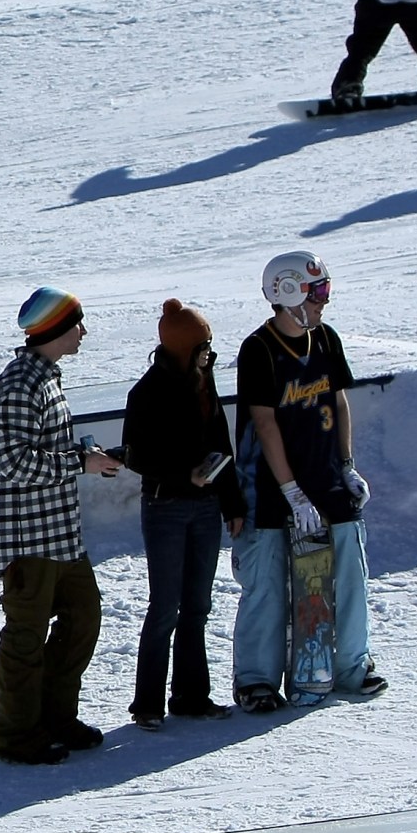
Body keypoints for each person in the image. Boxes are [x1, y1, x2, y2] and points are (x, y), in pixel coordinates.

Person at [230, 252, 381, 712]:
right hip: (272, 487)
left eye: (325, 293)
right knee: (269, 586)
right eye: (318, 294)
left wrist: (347, 464)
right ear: (289, 292)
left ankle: (352, 666)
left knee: (350, 573)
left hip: (327, 478)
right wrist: (291, 491)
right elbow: (265, 424)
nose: (323, 304)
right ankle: (256, 679)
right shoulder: (259, 349)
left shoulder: (326, 339)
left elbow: (337, 403)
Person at [0, 287, 126, 765]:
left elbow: (41, 454)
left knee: (84, 617)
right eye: (77, 323)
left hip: (61, 534)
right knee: (25, 638)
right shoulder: (19, 384)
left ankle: (56, 716)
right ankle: (16, 735)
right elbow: (12, 462)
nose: (84, 332)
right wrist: (78, 464)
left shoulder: (45, 379)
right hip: (28, 539)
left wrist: (87, 460)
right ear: (54, 329)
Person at [121, 299, 244, 730]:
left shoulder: (205, 382)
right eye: (203, 347)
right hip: (165, 507)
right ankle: (147, 704)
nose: (209, 355)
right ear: (181, 348)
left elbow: (222, 446)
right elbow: (136, 456)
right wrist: (182, 475)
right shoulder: (146, 392)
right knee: (165, 606)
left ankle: (192, 696)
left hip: (206, 508)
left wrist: (233, 504)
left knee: (198, 606)